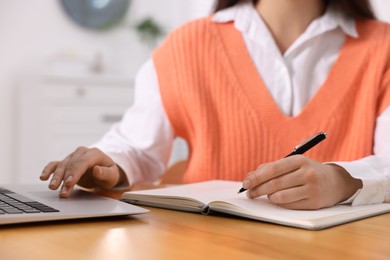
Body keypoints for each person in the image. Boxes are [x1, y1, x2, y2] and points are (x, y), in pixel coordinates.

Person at [40, 0, 390, 210]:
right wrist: (107, 166)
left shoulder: (382, 48)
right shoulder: (188, 45)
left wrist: (345, 181)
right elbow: (136, 148)